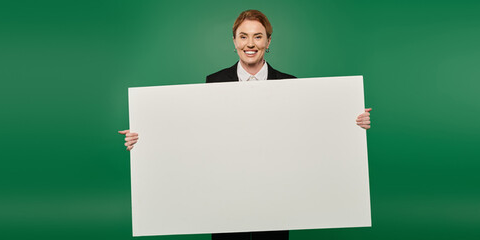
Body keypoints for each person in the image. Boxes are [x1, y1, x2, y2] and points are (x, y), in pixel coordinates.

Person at [117, 10, 372, 240]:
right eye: (243, 36)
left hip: (277, 190)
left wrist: (352, 123)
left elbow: (310, 131)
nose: (250, 44)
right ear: (235, 41)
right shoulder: (214, 81)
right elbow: (193, 131)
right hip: (226, 189)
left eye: (258, 37)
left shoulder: (290, 84)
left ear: (268, 42)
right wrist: (144, 136)